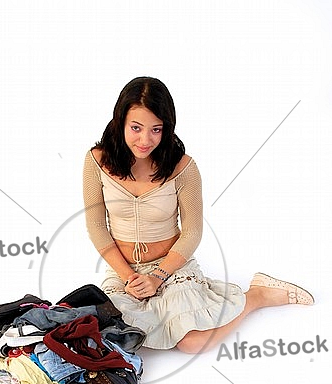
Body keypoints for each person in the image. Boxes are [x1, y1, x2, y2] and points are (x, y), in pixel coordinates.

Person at [83, 76, 314, 354]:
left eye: (156, 129)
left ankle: (257, 295)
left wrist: (158, 277)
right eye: (136, 128)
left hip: (171, 267)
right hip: (123, 270)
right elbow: (96, 226)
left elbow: (192, 231)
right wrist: (129, 277)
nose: (145, 140)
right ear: (119, 121)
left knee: (191, 343)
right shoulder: (96, 160)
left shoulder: (184, 167)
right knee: (111, 337)